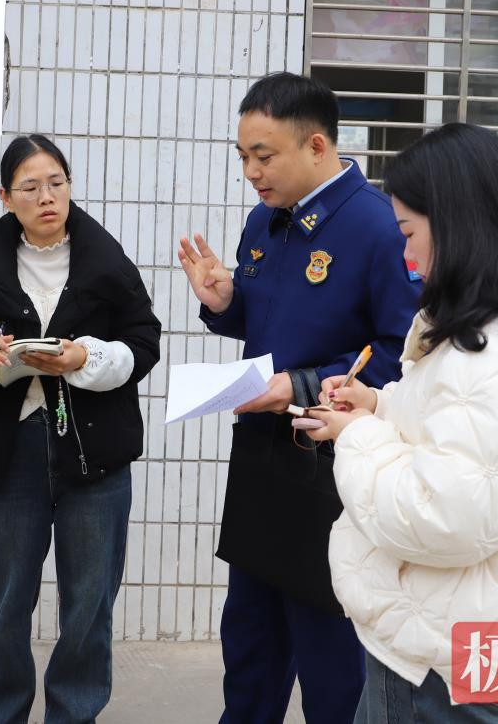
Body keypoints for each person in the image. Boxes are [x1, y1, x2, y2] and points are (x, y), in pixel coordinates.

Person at [306, 122, 498, 722]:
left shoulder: (489, 354)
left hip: (443, 643)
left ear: (458, 226)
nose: (407, 257)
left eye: (409, 233)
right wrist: (378, 406)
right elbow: (463, 436)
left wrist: (357, 436)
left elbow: (445, 518)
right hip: (485, 620)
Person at [177, 72, 422, 723]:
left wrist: (305, 385)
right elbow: (272, 321)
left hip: (332, 471)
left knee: (329, 661)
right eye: (243, 156)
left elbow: (402, 353)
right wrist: (226, 303)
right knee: (249, 646)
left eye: (264, 155)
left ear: (317, 145)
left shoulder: (377, 227)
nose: (251, 172)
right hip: (261, 462)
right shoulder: (264, 221)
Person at [0, 134, 162, 724]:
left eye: (57, 183)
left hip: (95, 453)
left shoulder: (106, 261)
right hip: (8, 450)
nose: (47, 197)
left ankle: (74, 714)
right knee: (4, 605)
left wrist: (85, 358)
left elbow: (144, 342)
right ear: (6, 197)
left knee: (89, 607)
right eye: (31, 187)